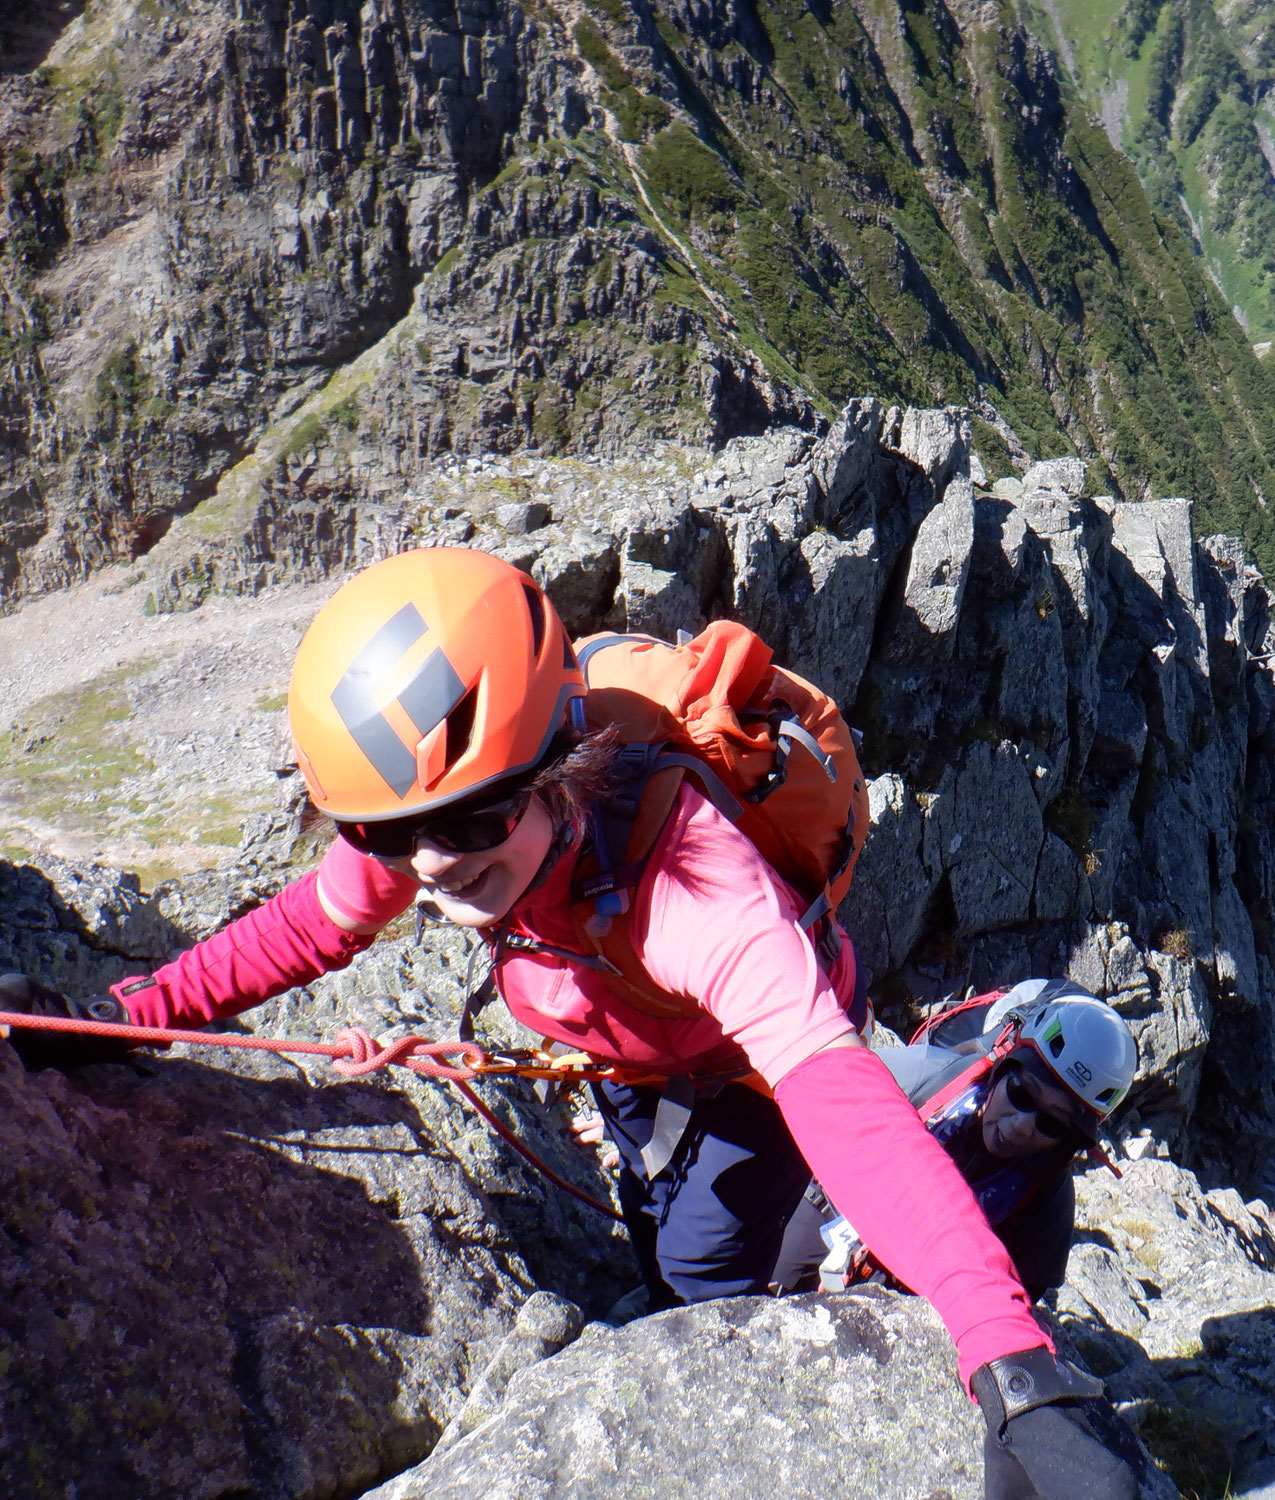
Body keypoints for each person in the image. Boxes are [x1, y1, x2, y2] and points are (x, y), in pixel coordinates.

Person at [0, 547, 1145, 1500]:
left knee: (704, 1276)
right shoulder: (436, 810)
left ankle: (857, 1247)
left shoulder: (692, 882)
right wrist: (127, 1018)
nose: (437, 868)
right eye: (400, 837)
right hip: (626, 1048)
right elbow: (313, 928)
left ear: (564, 761)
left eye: (477, 818)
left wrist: (1010, 1362)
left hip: (743, 1065)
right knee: (658, 1236)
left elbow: (828, 1089)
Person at [773, 979, 1139, 1301]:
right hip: (834, 1205)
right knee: (769, 1280)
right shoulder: (919, 1077)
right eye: (1021, 1094)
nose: (1021, 1126)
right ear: (1001, 1068)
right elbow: (814, 1107)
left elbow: (1016, 1299)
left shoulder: (1046, 1206)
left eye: (1052, 1125)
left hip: (918, 1283)